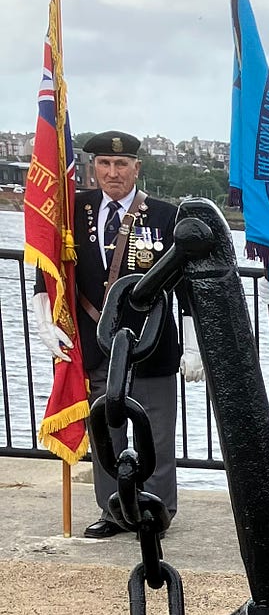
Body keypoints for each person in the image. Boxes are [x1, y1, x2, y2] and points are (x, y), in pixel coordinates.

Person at [30, 130, 200, 538]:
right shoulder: (73, 210)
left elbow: (187, 291)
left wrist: (193, 348)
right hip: (95, 343)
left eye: (121, 164)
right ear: (93, 168)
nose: (112, 172)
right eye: (104, 164)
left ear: (137, 168)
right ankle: (114, 511)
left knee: (154, 434)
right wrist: (43, 320)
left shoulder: (164, 215)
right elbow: (48, 269)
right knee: (106, 433)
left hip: (151, 344)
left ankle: (155, 512)